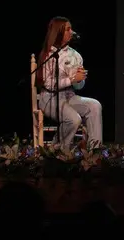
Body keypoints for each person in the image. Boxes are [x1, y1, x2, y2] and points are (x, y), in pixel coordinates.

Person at [37, 16, 103, 148]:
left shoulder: (75, 55)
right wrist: (71, 79)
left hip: (69, 96)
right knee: (74, 119)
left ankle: (94, 149)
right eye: (68, 29)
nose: (71, 32)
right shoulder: (48, 55)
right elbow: (48, 84)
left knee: (95, 105)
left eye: (71, 29)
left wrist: (79, 79)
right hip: (49, 98)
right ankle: (57, 149)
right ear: (58, 32)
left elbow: (78, 87)